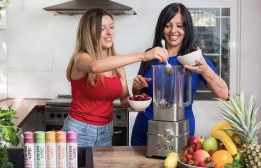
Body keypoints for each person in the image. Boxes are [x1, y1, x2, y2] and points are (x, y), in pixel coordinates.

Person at [63, 8, 169, 147]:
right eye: (102, 28)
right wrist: (142, 56)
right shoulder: (81, 58)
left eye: (111, 27)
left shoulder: (117, 62)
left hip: (106, 131)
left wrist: (138, 100)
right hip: (79, 131)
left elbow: (124, 100)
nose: (109, 32)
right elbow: (95, 66)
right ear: (89, 33)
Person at [131, 3, 229, 146]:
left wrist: (207, 71)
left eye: (180, 26)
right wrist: (137, 87)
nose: (173, 31)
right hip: (144, 133)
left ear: (186, 28)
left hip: (181, 134)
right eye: (168, 25)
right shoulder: (151, 55)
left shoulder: (195, 58)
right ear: (161, 28)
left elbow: (224, 93)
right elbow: (139, 95)